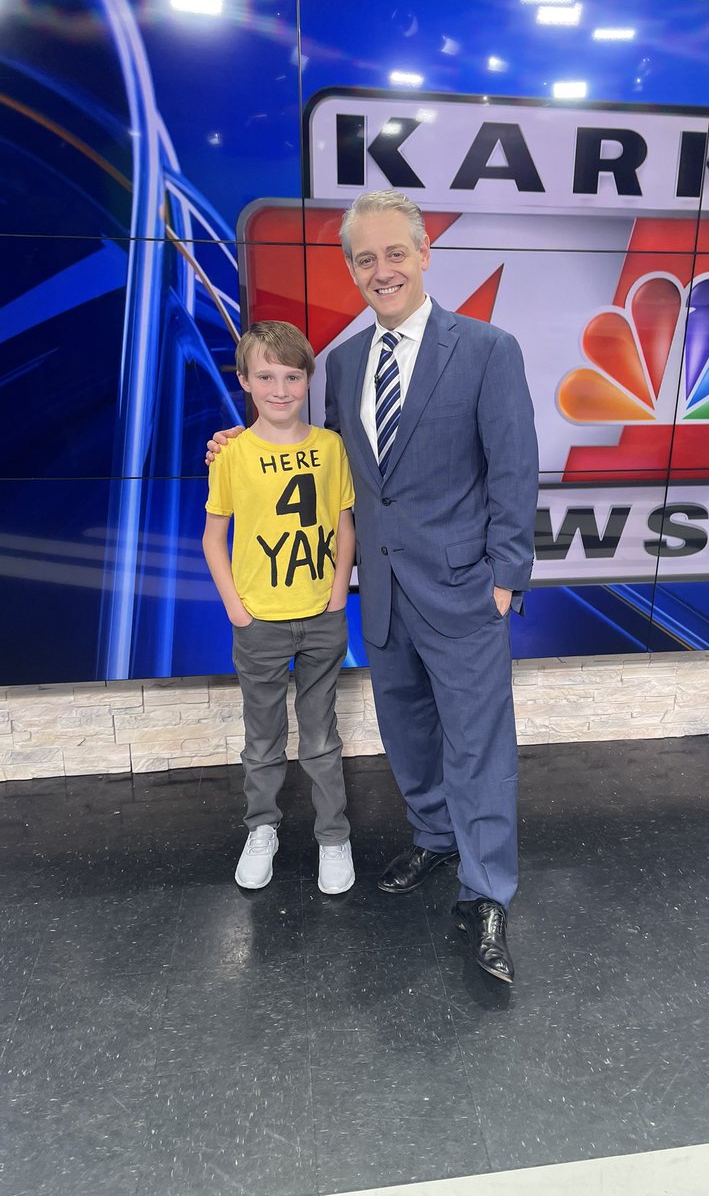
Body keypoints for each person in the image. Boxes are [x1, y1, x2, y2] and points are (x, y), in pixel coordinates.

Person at [208, 191, 538, 982]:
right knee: (411, 731)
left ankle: (486, 890)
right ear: (352, 270)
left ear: (425, 254)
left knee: (478, 745)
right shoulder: (347, 361)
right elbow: (323, 462)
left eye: (395, 253)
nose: (381, 270)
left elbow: (514, 472)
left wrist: (504, 583)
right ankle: (432, 838)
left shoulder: (489, 349)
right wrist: (238, 441)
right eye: (365, 258)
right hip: (381, 593)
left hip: (464, 592)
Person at [202, 320, 356, 895]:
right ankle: (261, 828)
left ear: (307, 379)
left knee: (321, 737)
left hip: (321, 617)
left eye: (292, 375)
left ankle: (333, 837)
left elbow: (344, 525)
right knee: (262, 738)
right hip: (259, 623)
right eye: (266, 376)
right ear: (245, 381)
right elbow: (214, 536)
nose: (281, 388)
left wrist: (337, 596)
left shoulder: (330, 447)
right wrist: (237, 610)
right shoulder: (232, 454)